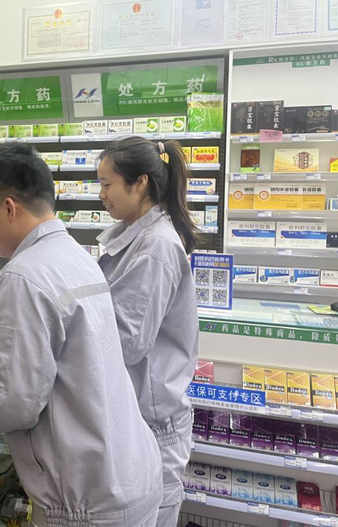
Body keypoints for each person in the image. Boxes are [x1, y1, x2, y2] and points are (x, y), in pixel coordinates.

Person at [0, 143, 163, 527]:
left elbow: (10, 405)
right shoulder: (76, 255)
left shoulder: (21, 276)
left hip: (87, 502)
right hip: (130, 473)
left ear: (9, 208)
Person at [96, 137, 199, 527]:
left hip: (155, 425)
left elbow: (127, 341)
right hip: (139, 414)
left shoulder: (155, 246)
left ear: (139, 183)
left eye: (107, 184)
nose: (101, 194)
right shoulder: (137, 237)